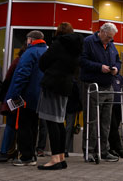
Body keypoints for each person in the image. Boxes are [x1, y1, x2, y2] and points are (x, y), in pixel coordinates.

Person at [36, 22, 83, 170]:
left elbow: (42, 62)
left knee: (51, 122)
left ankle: (55, 159)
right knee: (59, 122)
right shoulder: (76, 48)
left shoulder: (58, 44)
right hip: (66, 87)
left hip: (53, 85)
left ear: (58, 32)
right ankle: (61, 157)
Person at [80, 22, 122, 162]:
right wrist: (100, 67)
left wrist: (116, 68)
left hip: (108, 85)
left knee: (106, 121)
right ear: (102, 32)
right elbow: (82, 61)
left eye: (111, 38)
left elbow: (117, 60)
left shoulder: (111, 44)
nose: (109, 40)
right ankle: (89, 150)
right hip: (92, 85)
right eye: (108, 37)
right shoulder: (88, 42)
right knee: (92, 120)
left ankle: (104, 150)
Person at [5, 30, 48, 166]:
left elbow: (22, 75)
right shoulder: (46, 52)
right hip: (40, 97)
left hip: (26, 96)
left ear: (30, 40)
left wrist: (13, 95)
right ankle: (32, 155)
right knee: (34, 126)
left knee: (23, 125)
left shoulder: (29, 52)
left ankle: (25, 156)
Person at [0, 44, 27, 163]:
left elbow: (8, 79)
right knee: (20, 125)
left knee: (11, 125)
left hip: (14, 96)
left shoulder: (18, 61)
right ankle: (14, 151)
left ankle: (5, 151)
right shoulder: (25, 62)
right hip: (23, 98)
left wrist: (4, 98)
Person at [107, 73, 123, 158]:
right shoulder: (108, 77)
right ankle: (118, 148)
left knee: (116, 126)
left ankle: (112, 148)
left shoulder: (119, 77)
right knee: (113, 126)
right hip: (110, 104)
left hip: (119, 104)